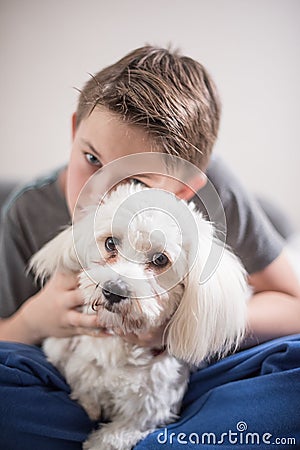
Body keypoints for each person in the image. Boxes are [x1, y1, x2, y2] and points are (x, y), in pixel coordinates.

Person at [0, 46, 299, 449]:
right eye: (91, 158)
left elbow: (293, 305)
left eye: (135, 182)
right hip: (59, 372)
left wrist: (189, 324)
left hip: (187, 367)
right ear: (74, 131)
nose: (99, 192)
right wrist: (33, 322)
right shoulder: (26, 210)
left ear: (186, 187)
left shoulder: (218, 190)